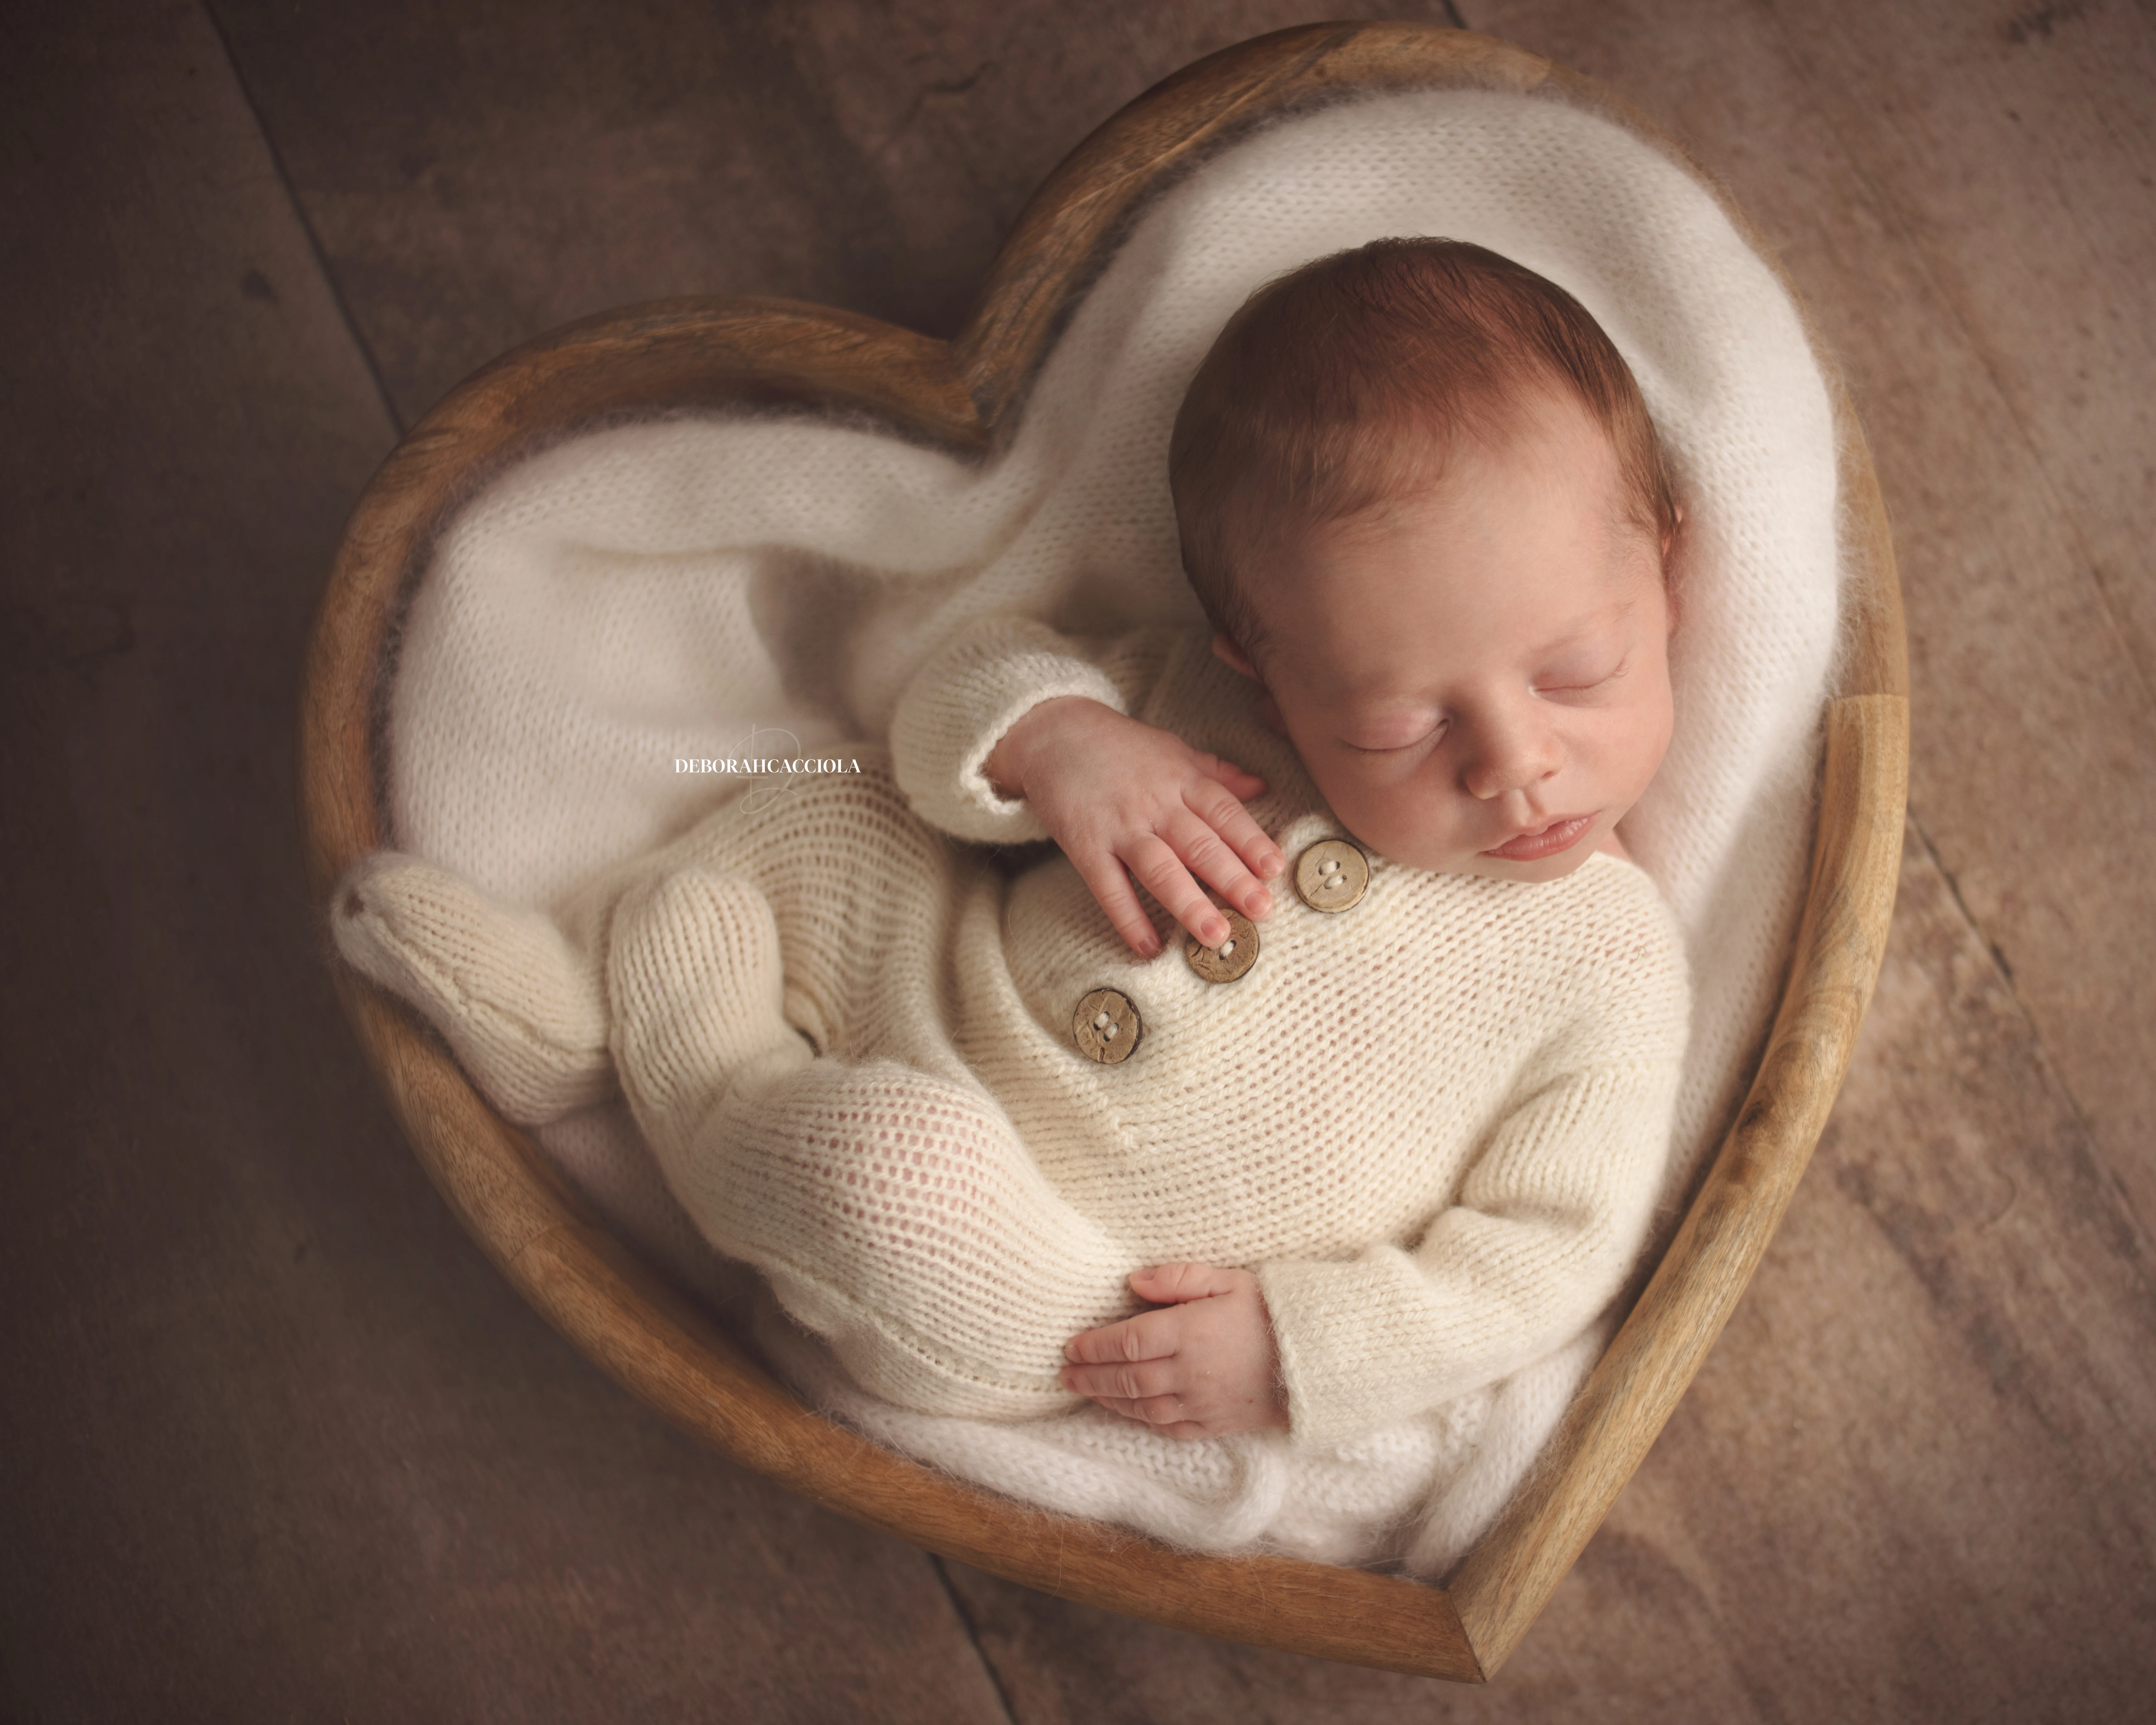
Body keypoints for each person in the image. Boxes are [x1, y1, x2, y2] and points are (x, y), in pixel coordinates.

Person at [332, 237, 1691, 1484]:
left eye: (1581, 671)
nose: (1513, 761)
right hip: (942, 982)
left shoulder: (1609, 962)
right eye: (1399, 727)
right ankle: (585, 1005)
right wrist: (1060, 740)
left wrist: (1297, 1348)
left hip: (1061, 1278)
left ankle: (690, 1078)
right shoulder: (1195, 705)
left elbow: (1549, 1251)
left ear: (1666, 576)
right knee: (827, 810)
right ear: (1267, 677)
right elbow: (947, 703)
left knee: (885, 1176)